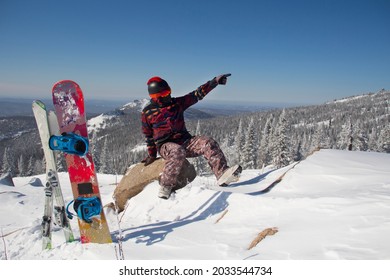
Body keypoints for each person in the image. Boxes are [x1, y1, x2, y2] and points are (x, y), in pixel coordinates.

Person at [141, 74, 242, 199]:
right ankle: (166, 186)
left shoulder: (177, 103)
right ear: (154, 97)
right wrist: (151, 155)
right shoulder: (148, 113)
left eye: (167, 92)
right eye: (160, 95)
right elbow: (148, 135)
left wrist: (214, 82)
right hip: (165, 146)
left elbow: (196, 95)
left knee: (207, 142)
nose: (166, 96)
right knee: (177, 151)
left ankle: (222, 173)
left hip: (185, 141)